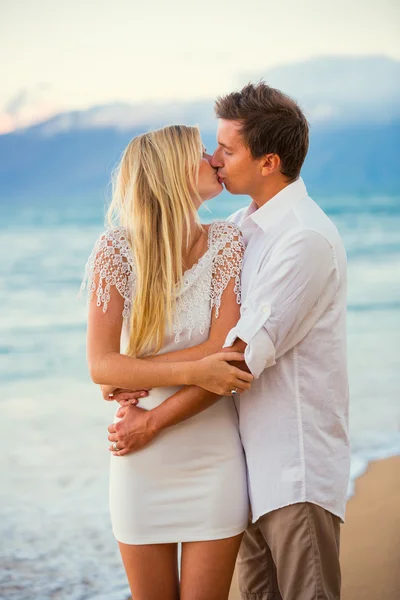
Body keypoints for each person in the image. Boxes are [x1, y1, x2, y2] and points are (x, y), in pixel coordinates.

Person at [108, 83, 351, 600]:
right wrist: (124, 374)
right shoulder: (242, 229)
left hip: (292, 468)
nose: (216, 160)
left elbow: (236, 363)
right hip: (245, 465)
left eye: (228, 149)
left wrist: (146, 411)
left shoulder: (302, 239)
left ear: (268, 162)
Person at [81, 124, 253, 600]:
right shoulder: (114, 251)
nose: (213, 160)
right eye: (200, 154)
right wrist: (197, 369)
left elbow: (227, 355)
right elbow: (100, 366)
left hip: (214, 458)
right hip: (139, 458)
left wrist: (134, 369)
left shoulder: (227, 244)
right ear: (172, 173)